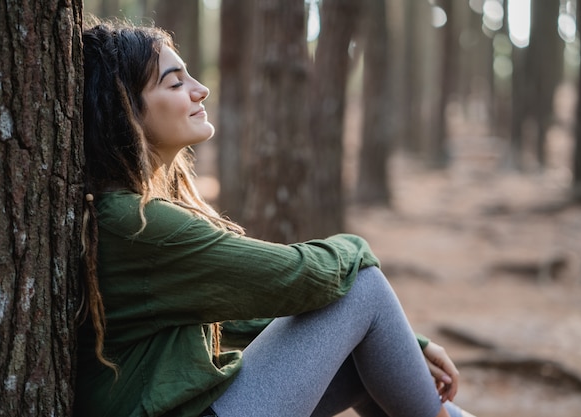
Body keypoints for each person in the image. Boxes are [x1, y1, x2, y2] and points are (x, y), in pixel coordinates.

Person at [75, 18, 476, 417]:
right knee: (363, 285)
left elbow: (238, 320)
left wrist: (407, 343)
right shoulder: (137, 223)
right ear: (123, 106)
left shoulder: (123, 213)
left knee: (365, 361)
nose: (201, 90)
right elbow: (301, 278)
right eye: (176, 83)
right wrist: (356, 247)